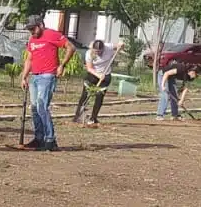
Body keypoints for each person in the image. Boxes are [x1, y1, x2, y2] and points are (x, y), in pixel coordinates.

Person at [18, 15, 74, 151]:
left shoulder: (52, 34)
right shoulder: (32, 39)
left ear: (41, 25)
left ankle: (50, 139)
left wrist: (62, 65)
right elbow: (29, 59)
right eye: (29, 29)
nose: (31, 31)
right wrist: (24, 76)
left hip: (47, 75)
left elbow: (70, 47)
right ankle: (39, 138)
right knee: (35, 108)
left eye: (33, 28)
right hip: (34, 76)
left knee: (42, 106)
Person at [73, 38, 125, 127]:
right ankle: (77, 116)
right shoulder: (89, 53)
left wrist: (121, 44)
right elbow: (89, 68)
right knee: (85, 95)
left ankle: (93, 118)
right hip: (92, 75)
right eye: (96, 51)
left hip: (106, 75)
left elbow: (120, 46)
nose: (98, 53)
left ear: (103, 48)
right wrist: (98, 75)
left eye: (100, 51)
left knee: (99, 97)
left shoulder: (108, 47)